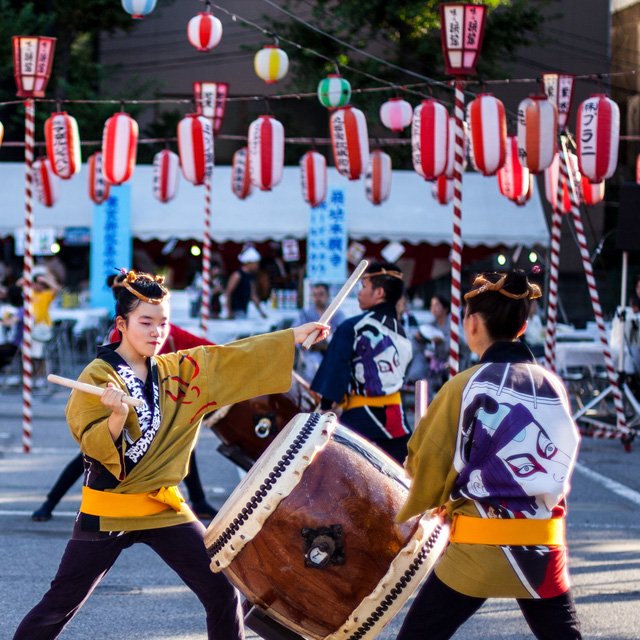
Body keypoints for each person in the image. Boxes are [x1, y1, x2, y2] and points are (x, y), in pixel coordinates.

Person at [13, 270, 327, 640]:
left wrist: (292, 337)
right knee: (60, 604)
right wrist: (116, 417)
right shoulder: (99, 376)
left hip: (163, 506)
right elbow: (92, 444)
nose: (155, 332)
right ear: (122, 324)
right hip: (111, 506)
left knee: (222, 589)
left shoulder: (177, 371)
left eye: (163, 323)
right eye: (145, 322)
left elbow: (226, 359)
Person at [395, 268, 582, 640]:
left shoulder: (464, 385)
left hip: (478, 551)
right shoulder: (553, 386)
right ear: (523, 327)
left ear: (472, 324)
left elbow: (426, 465)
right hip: (541, 547)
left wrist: (425, 502)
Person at [310, 262, 413, 463]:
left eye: (364, 287)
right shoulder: (403, 335)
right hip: (396, 423)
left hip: (359, 421)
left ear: (379, 292)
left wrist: (325, 405)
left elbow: (337, 367)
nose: (359, 292)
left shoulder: (353, 327)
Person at [296, 282, 346, 381]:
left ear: (327, 295)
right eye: (315, 295)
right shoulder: (305, 315)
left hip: (333, 354)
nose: (318, 298)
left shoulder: (338, 314)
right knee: (313, 366)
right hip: (312, 354)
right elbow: (297, 338)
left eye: (321, 294)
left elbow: (343, 338)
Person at [224, 246, 267, 319]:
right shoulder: (237, 275)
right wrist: (229, 311)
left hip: (243, 310)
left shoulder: (250, 276)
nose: (257, 266)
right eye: (255, 263)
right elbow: (228, 292)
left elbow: (253, 295)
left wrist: (261, 312)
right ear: (249, 263)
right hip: (236, 310)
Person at [0, 285, 24, 369]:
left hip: (17, 345)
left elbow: (9, 323)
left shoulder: (20, 311)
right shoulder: (19, 309)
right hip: (13, 343)